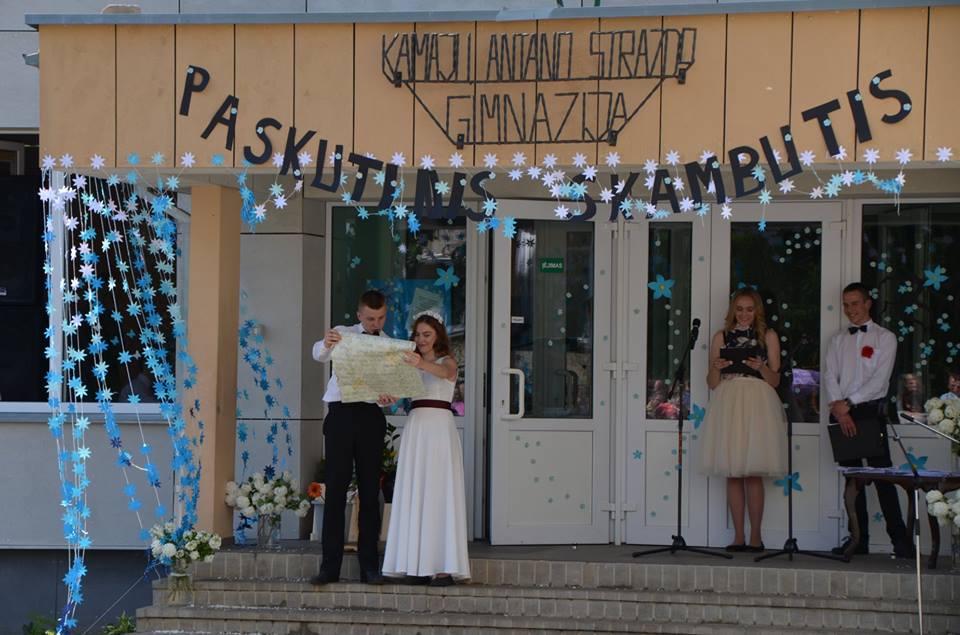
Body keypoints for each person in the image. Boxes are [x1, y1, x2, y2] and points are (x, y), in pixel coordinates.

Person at [381, 311, 471, 586]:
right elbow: (397, 393)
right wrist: (386, 397)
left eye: (427, 334)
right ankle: (415, 564)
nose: (421, 339)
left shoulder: (447, 361)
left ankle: (442, 567)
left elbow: (446, 373)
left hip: (439, 429)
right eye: (418, 334)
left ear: (438, 336)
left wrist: (420, 363)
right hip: (417, 427)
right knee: (416, 490)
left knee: (438, 492)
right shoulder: (411, 364)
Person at [825, 282, 911, 558]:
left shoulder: (885, 338)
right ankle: (858, 540)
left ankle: (900, 540)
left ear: (867, 303)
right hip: (842, 412)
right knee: (852, 480)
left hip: (869, 410)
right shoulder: (837, 340)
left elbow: (880, 382)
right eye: (846, 304)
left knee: (882, 476)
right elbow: (830, 376)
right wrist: (840, 409)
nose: (850, 309)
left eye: (855, 303)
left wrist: (848, 403)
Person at [310, 289, 390, 585]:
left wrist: (388, 396)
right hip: (341, 414)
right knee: (336, 489)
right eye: (370, 318)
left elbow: (389, 389)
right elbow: (318, 355)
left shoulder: (389, 344)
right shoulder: (343, 332)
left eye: (380, 318)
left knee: (370, 491)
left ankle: (369, 567)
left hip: (370, 416)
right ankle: (329, 567)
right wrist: (326, 342)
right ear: (359, 315)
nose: (375, 323)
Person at [701, 288, 787, 553]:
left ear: (757, 310)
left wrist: (760, 367)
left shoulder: (768, 336)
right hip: (729, 401)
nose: (744, 314)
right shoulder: (721, 336)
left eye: (749, 309)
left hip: (757, 402)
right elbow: (712, 383)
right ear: (733, 311)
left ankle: (756, 537)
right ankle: (738, 536)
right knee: (733, 471)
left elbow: (775, 380)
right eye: (739, 309)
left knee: (752, 472)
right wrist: (715, 368)